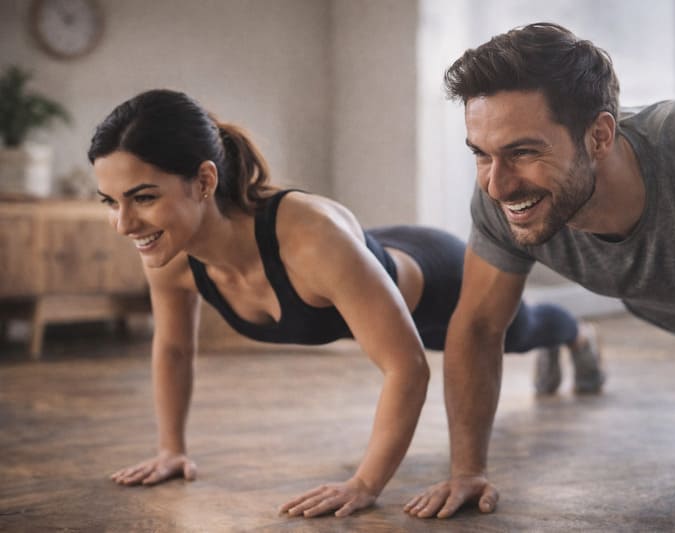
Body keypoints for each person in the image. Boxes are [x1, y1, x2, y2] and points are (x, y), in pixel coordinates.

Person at [88, 89, 603, 518]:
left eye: (143, 197)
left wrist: (365, 484)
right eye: (111, 202)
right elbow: (174, 349)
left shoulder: (308, 238)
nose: (124, 224)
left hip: (434, 279)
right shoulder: (169, 251)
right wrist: (171, 450)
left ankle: (580, 334)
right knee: (513, 331)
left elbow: (407, 368)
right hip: (361, 268)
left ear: (203, 181)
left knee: (522, 329)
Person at [404, 22, 675, 519]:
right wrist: (467, 471)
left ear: (599, 136)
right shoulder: (506, 203)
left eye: (524, 151)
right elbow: (480, 326)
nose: (498, 185)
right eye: (481, 154)